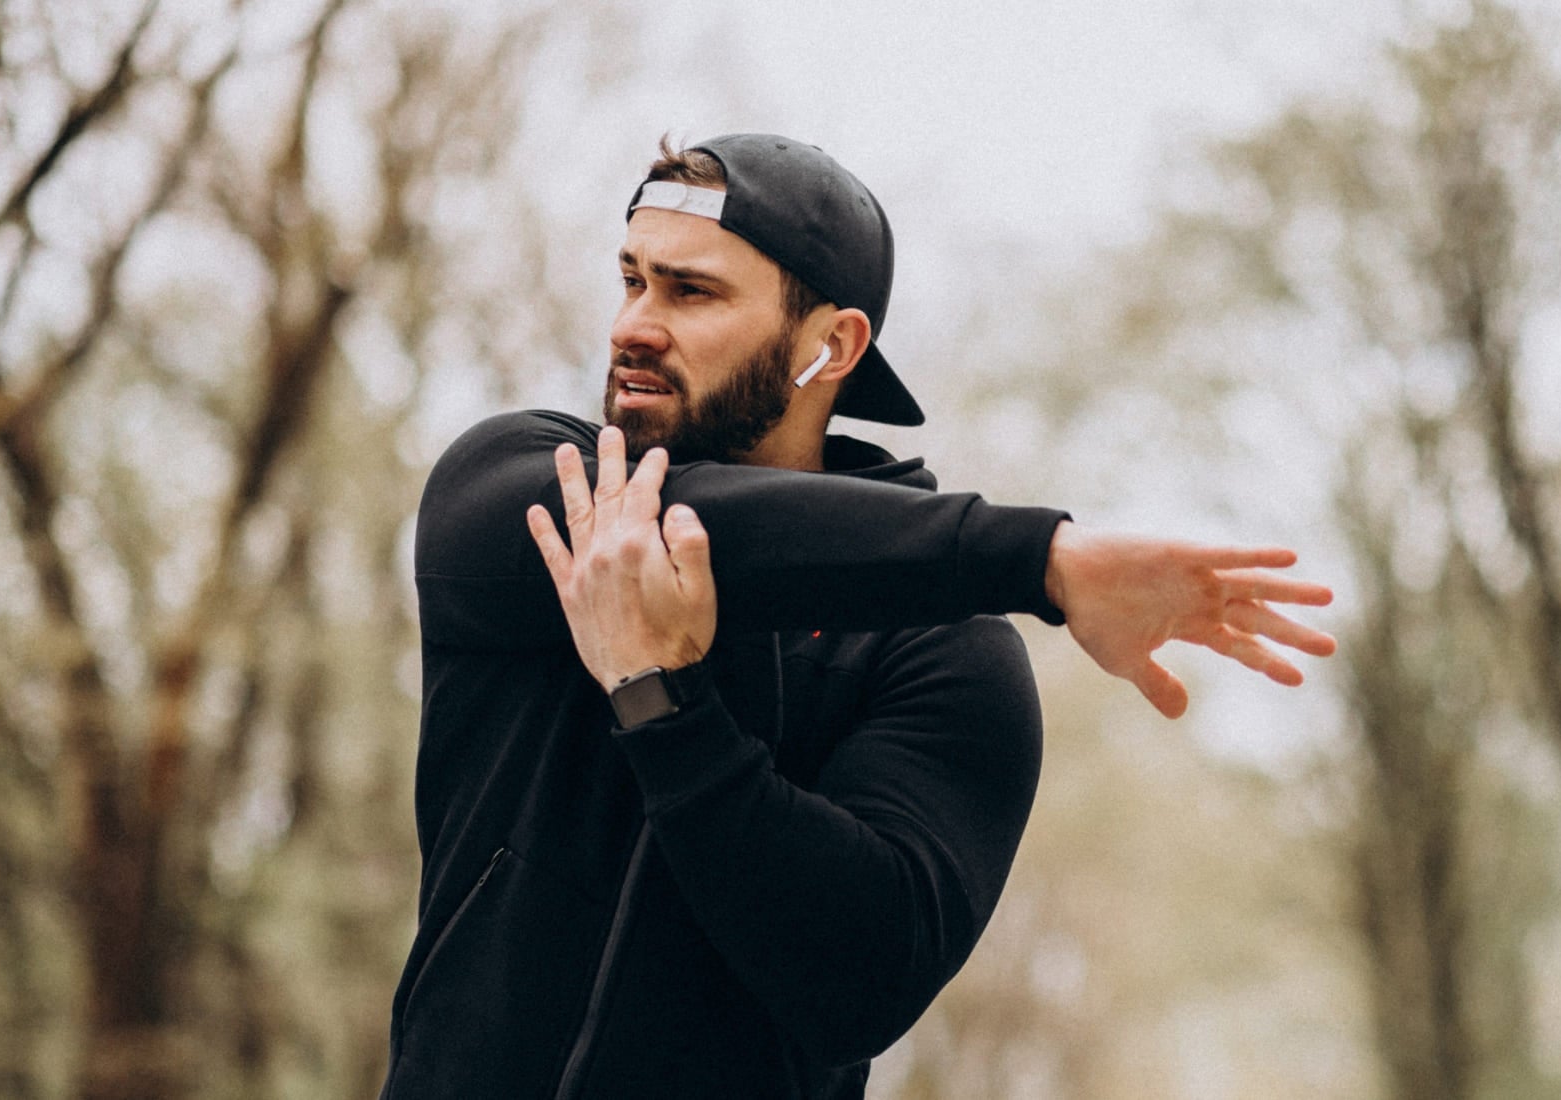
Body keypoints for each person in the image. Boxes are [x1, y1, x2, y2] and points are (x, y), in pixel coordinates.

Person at [377, 134, 1335, 1098]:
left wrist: (665, 711)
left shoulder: (947, 649)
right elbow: (700, 529)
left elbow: (858, 982)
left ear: (830, 347)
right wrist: (1039, 558)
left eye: (690, 292)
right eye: (632, 280)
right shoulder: (526, 491)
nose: (633, 324)